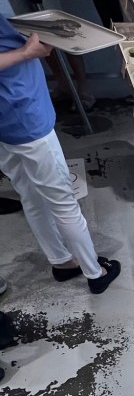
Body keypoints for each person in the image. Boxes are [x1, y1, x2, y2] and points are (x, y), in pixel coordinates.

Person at [0, 15, 120, 293]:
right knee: (62, 201)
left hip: (7, 118)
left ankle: (62, 262)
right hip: (23, 112)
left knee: (30, 194)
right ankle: (95, 273)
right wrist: (26, 52)